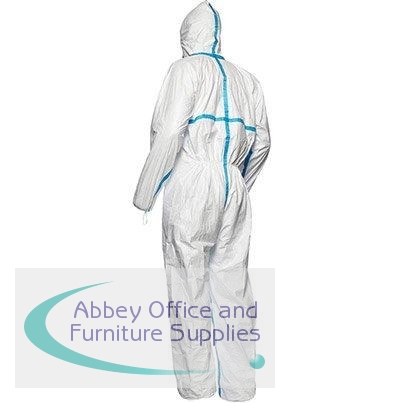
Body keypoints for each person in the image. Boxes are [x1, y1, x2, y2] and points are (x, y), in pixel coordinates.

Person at [133, 1, 270, 401]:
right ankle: (240, 388)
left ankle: (197, 387)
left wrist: (145, 193)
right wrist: (239, 182)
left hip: (192, 181)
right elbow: (263, 142)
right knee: (233, 286)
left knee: (187, 286)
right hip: (233, 184)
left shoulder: (184, 70)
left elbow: (170, 131)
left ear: (186, 36)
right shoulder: (249, 80)